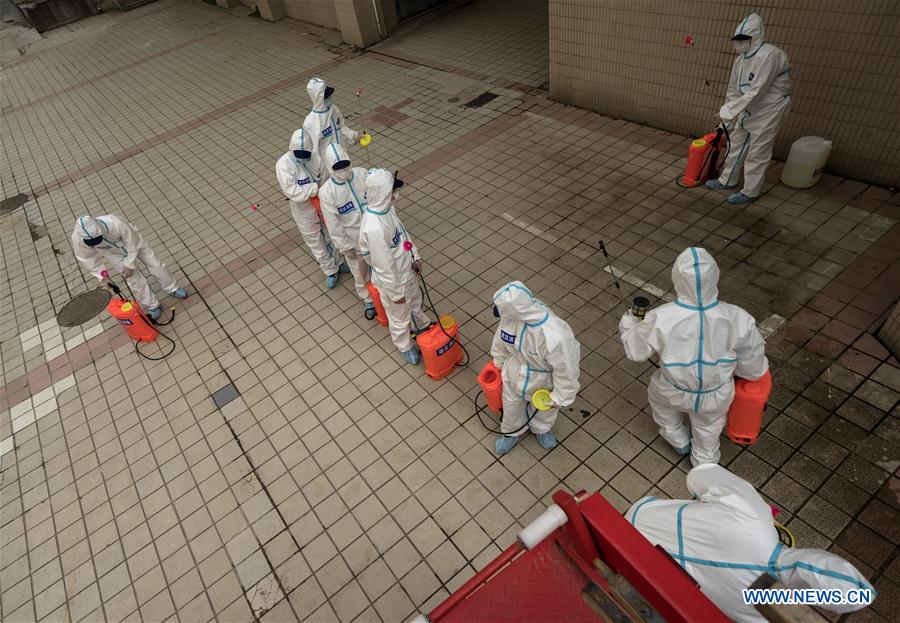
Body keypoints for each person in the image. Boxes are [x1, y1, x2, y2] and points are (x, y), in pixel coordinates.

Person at [627, 464, 875, 622]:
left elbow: (700, 474)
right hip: (643, 580)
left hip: (633, 524)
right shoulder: (765, 615)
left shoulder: (754, 518)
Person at [618, 247, 767, 466]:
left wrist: (629, 322)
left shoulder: (660, 317)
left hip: (671, 389)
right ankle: (704, 468)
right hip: (715, 394)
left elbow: (636, 351)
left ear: (676, 278)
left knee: (663, 409)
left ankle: (678, 440)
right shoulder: (738, 317)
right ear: (715, 277)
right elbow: (753, 366)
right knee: (708, 431)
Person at [705, 13, 790, 205]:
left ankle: (751, 191)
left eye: (744, 39)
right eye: (737, 40)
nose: (740, 44)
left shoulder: (770, 55)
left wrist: (729, 111)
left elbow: (756, 91)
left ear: (755, 37)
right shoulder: (740, 61)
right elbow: (733, 91)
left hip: (769, 110)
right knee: (736, 143)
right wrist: (725, 122)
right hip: (747, 108)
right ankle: (727, 180)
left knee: (757, 152)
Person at [490, 281, 581, 455]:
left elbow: (567, 369)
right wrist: (499, 364)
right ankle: (511, 433)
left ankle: (541, 429)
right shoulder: (510, 319)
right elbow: (500, 342)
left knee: (544, 410)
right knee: (511, 406)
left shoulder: (554, 335)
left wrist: (560, 396)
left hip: (543, 381)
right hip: (514, 372)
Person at [358, 168, 431, 364]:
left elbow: (403, 235)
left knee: (415, 301)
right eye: (392, 191)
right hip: (392, 281)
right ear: (382, 193)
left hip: (406, 271)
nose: (395, 195)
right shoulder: (374, 227)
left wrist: (413, 254)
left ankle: (422, 326)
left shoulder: (387, 209)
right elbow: (383, 267)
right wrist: (396, 293)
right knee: (399, 316)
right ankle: (404, 346)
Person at [72, 215, 188, 320]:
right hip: (114, 253)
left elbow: (133, 243)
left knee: (156, 265)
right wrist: (103, 277)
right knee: (133, 280)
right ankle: (153, 305)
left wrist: (130, 264)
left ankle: (172, 288)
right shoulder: (77, 239)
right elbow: (87, 258)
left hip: (135, 243)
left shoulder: (114, 222)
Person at [276, 128, 348, 289]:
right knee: (314, 239)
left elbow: (325, 177)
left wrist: (319, 189)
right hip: (303, 209)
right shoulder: (284, 165)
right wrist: (313, 189)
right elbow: (291, 191)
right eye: (298, 154)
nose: (302, 158)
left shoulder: (315, 158)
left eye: (305, 154)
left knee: (330, 232)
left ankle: (340, 261)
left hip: (321, 203)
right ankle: (329, 269)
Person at [318, 144, 376, 319]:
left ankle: (387, 294)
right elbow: (333, 224)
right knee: (360, 272)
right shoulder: (327, 192)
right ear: (330, 167)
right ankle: (368, 299)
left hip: (374, 234)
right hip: (354, 241)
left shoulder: (361, 174)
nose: (343, 169)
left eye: (345, 164)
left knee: (383, 266)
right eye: (337, 166)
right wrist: (344, 247)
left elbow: (376, 195)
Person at [302, 77, 360, 167]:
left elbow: (341, 128)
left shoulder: (333, 109)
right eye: (326, 96)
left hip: (343, 158)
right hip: (326, 167)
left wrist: (353, 136)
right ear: (318, 98)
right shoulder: (310, 123)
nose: (329, 98)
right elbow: (311, 151)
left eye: (329, 95)